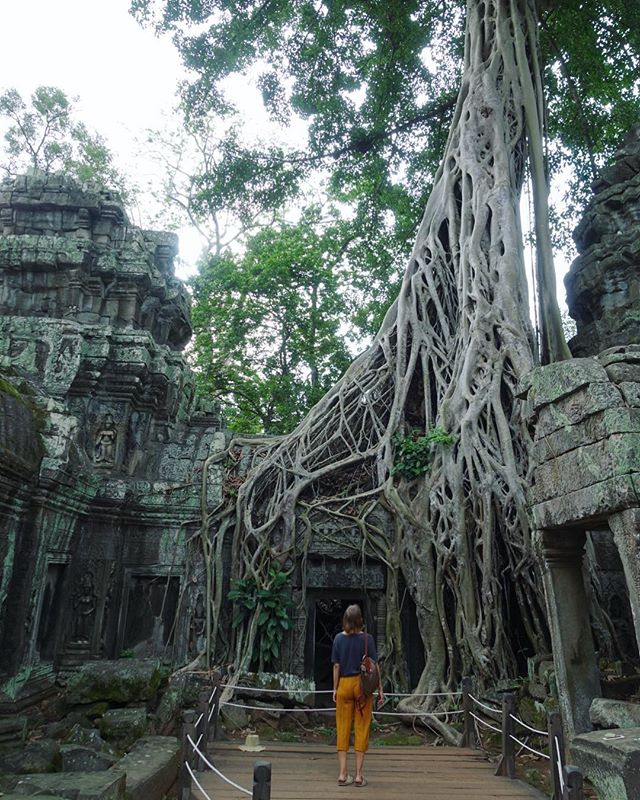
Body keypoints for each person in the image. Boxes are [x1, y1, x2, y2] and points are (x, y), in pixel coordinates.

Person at [331, 604, 383, 787]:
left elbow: (336, 666)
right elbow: (374, 665)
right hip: (361, 687)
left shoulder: (338, 639)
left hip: (344, 684)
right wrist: (380, 689)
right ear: (360, 620)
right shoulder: (367, 639)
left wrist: (335, 688)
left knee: (343, 727)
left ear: (345, 620)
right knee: (361, 727)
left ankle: (343, 774)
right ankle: (359, 776)